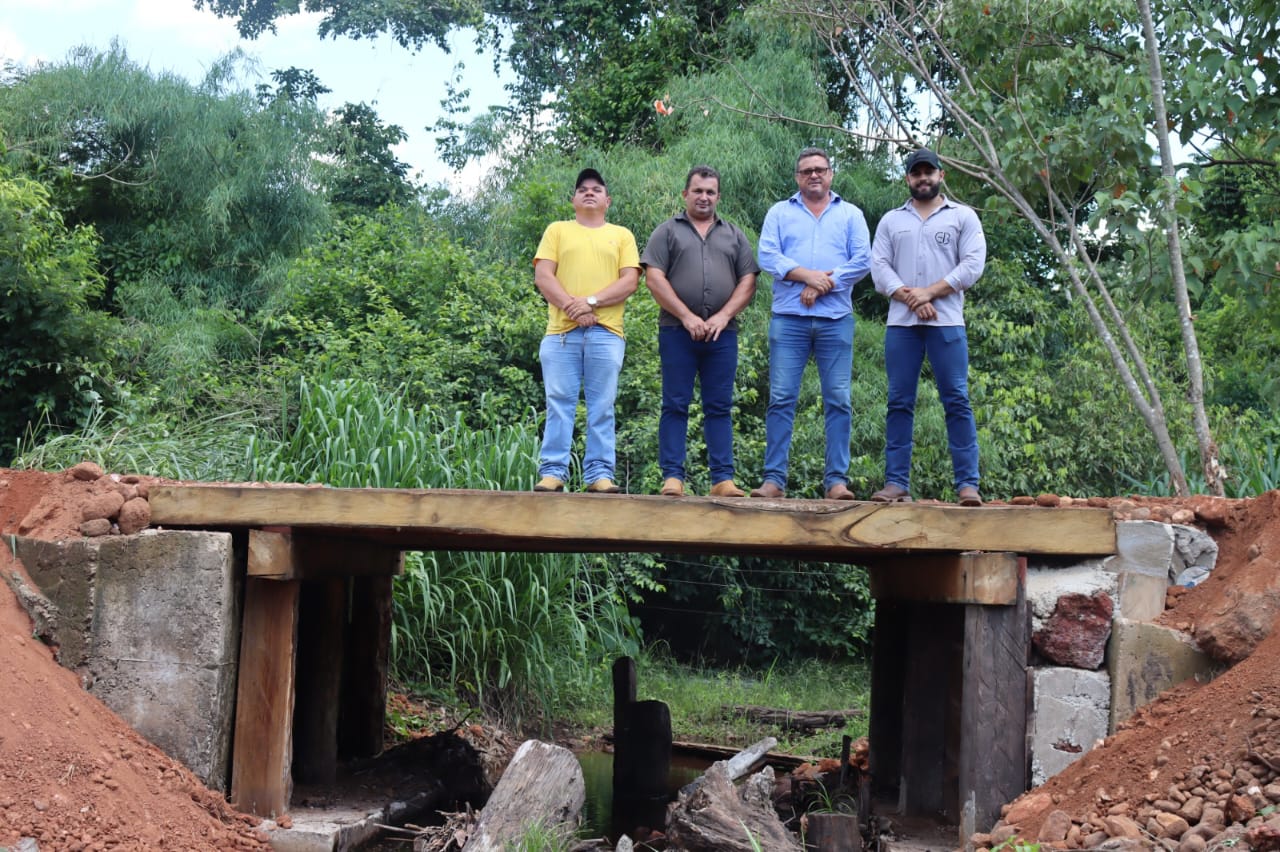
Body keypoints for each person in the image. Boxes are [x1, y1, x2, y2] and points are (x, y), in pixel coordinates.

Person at [752, 147, 871, 500]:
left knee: (838, 399)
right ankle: (774, 481)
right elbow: (768, 256)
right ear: (797, 177)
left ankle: (837, 482)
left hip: (836, 319)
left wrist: (824, 284)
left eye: (820, 169)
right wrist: (809, 277)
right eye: (806, 171)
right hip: (789, 320)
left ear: (831, 174)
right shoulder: (779, 212)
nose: (814, 175)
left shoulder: (850, 214)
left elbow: (863, 259)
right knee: (782, 398)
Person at [870, 148, 987, 506]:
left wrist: (928, 294)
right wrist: (911, 298)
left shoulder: (962, 217)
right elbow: (879, 268)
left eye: (929, 172)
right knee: (899, 401)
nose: (923, 178)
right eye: (916, 173)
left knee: (956, 399)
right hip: (902, 325)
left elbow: (972, 266)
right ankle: (896, 483)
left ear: (941, 175)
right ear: (907, 179)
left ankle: (968, 485)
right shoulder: (892, 221)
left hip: (947, 321)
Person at [641, 166, 759, 498]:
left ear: (718, 196)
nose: (704, 197)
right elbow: (654, 278)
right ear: (685, 194)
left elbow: (748, 281)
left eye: (710, 192)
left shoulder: (733, 235)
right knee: (675, 403)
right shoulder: (666, 232)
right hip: (676, 332)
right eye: (698, 191)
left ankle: (722, 479)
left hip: (723, 334)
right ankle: (673, 478)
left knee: (719, 406)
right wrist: (687, 316)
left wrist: (722, 316)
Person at [532, 168, 641, 493]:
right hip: (560, 334)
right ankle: (553, 473)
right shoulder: (557, 230)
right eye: (582, 190)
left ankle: (599, 475)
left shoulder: (622, 235)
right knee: (559, 402)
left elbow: (629, 280)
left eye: (596, 189)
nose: (589, 193)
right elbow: (544, 276)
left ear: (607, 200)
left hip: (606, 333)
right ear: (573, 200)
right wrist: (572, 308)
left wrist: (590, 303)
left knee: (602, 405)